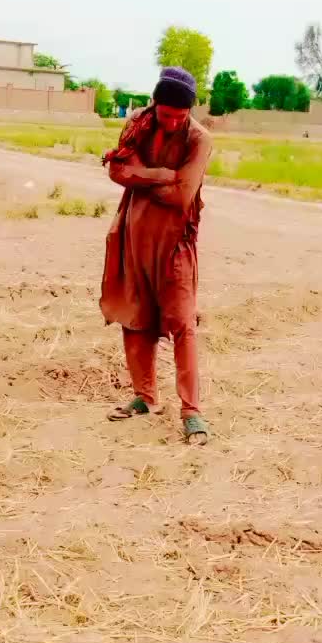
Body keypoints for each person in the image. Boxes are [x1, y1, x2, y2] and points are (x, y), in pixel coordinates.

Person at [100, 66, 211, 443]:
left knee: (182, 322)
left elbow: (182, 197)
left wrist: (143, 175)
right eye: (167, 115)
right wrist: (164, 175)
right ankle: (145, 397)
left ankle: (191, 411)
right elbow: (117, 172)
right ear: (154, 105)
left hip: (175, 242)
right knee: (135, 318)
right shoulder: (137, 123)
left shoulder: (199, 139)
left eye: (181, 116)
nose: (174, 122)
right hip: (133, 236)